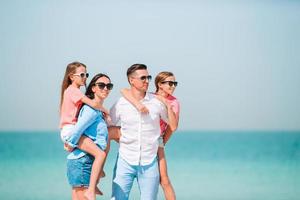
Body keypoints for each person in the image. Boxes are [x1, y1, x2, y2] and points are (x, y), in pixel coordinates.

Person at [110, 64, 177, 200]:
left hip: (149, 162)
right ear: (131, 80)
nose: (147, 81)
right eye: (143, 78)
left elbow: (173, 125)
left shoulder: (156, 102)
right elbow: (107, 125)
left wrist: (168, 105)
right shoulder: (121, 103)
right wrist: (119, 136)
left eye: (148, 77)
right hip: (125, 161)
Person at [65, 73, 114, 200]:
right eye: (101, 85)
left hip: (84, 161)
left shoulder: (98, 111)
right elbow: (78, 128)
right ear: (93, 88)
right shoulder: (90, 110)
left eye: (109, 86)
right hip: (82, 161)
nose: (105, 88)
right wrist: (70, 143)